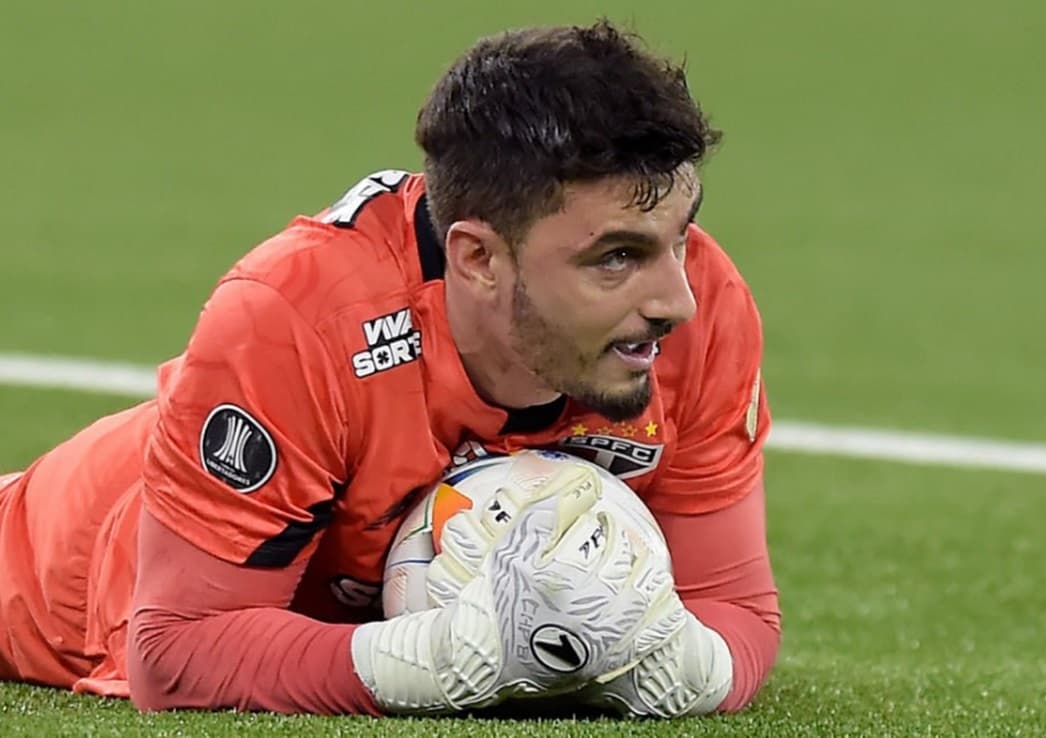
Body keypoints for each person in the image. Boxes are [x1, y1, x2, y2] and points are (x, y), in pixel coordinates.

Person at [0, 20, 780, 717]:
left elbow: (733, 604)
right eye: (616, 257)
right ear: (477, 258)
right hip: (43, 571)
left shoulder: (703, 308)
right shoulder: (299, 317)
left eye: (680, 236)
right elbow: (176, 651)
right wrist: (445, 661)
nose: (675, 299)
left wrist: (680, 664)